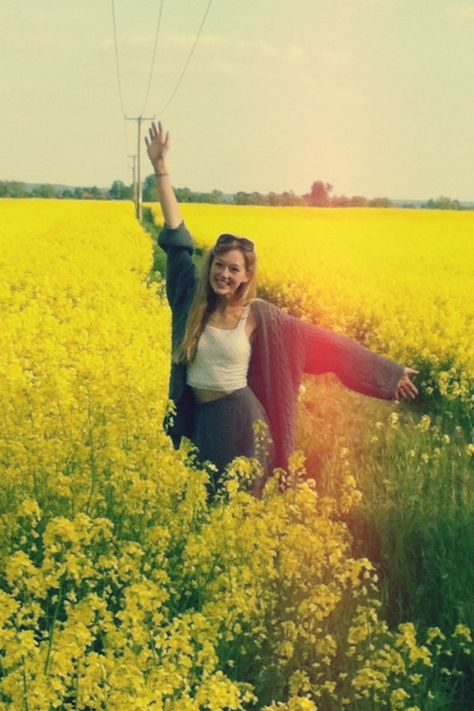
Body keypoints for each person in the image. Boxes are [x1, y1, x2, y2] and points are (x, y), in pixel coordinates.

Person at [145, 121, 419, 494]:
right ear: (210, 266)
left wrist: (387, 373)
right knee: (205, 509)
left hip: (242, 421)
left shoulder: (260, 315)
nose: (224, 274)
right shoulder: (190, 299)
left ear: (246, 276)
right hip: (203, 420)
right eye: (219, 265)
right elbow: (177, 242)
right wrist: (161, 167)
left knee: (236, 514)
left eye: (234, 269)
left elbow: (326, 344)